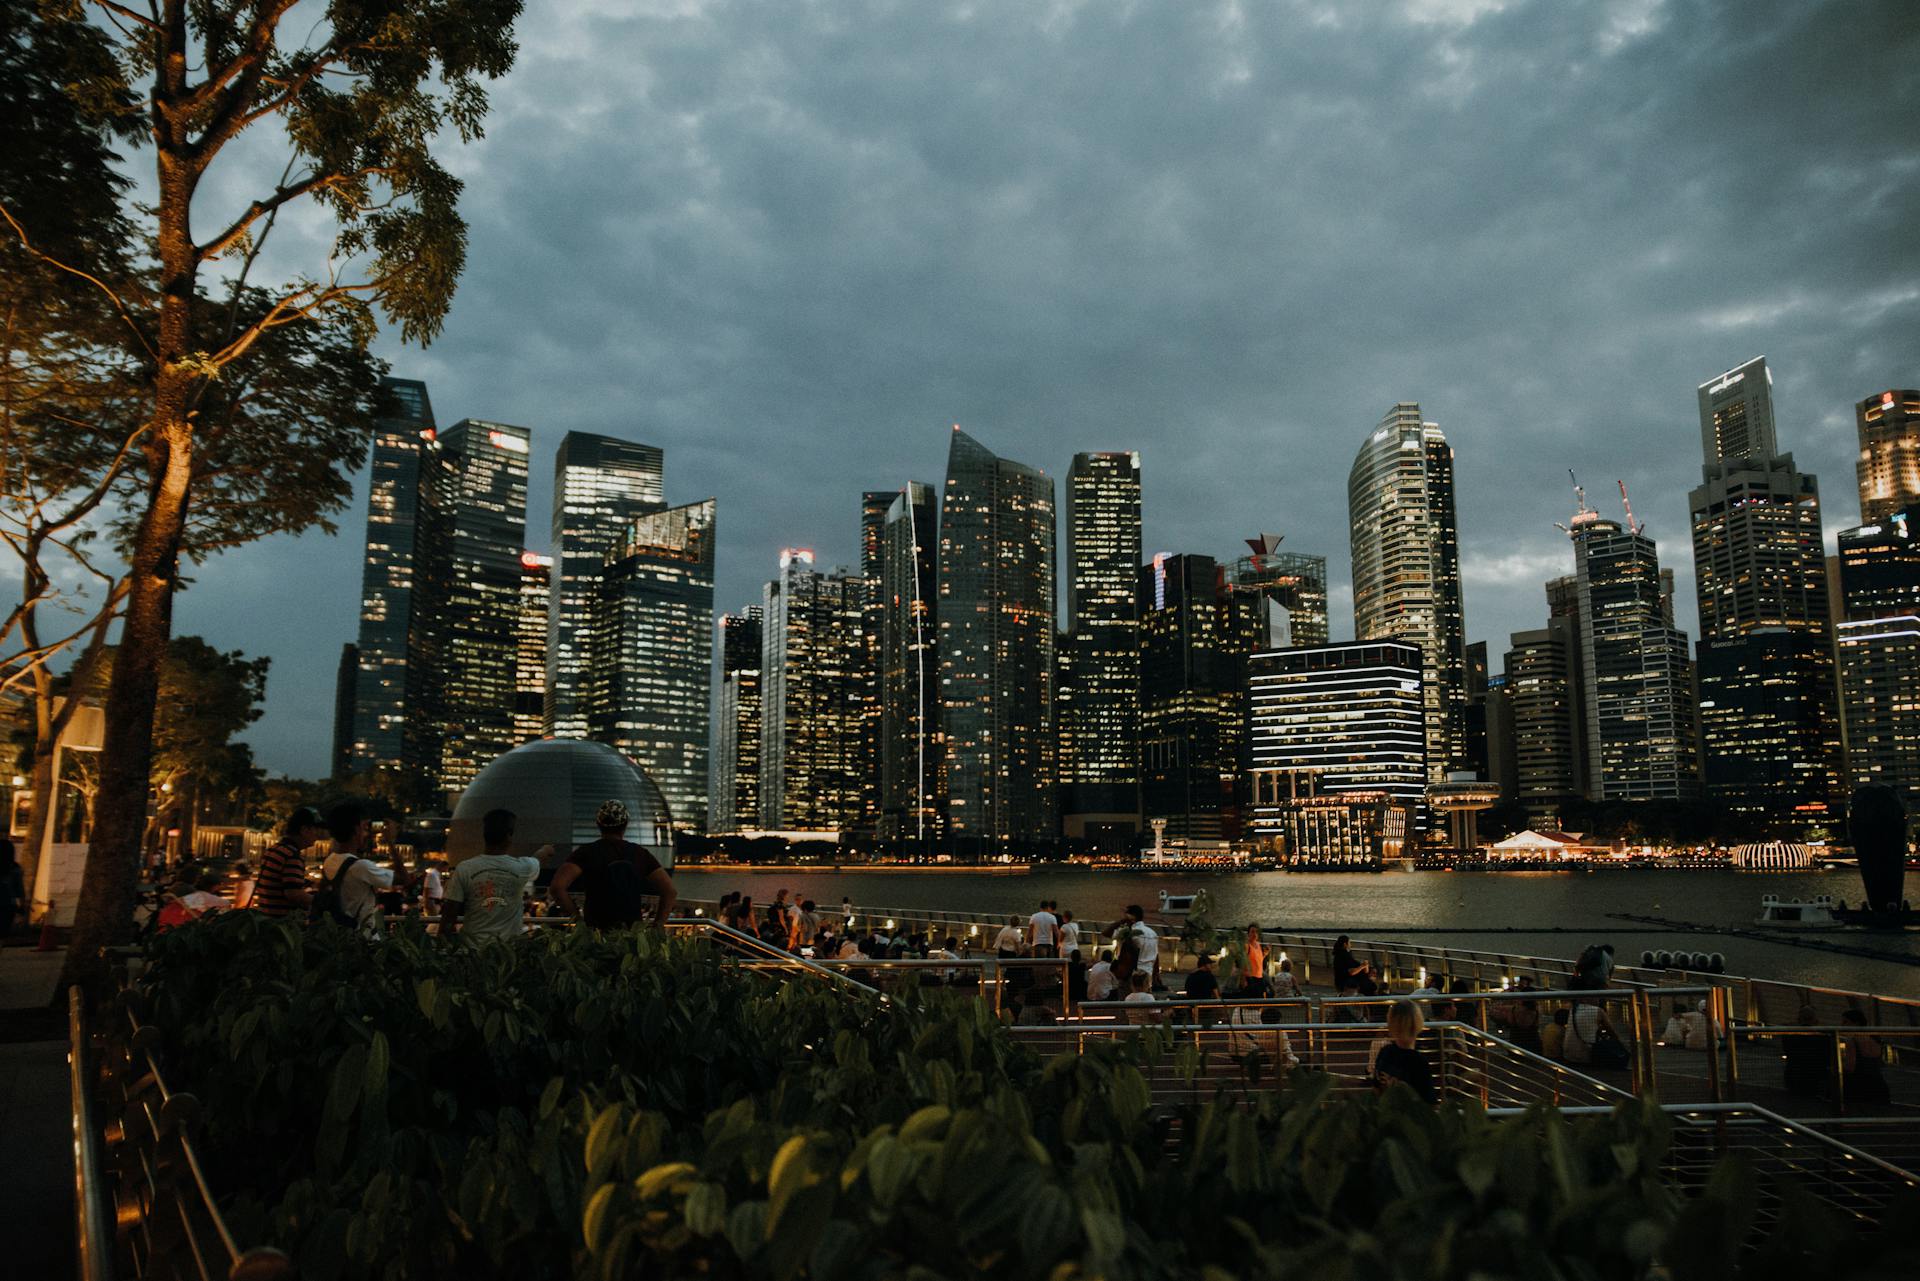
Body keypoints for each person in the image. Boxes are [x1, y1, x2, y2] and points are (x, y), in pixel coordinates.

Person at [549, 800, 678, 928]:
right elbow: (670, 891)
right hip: (631, 933)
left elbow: (557, 887)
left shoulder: (586, 852)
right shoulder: (640, 853)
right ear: (626, 825)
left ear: (598, 824)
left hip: (596, 931)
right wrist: (658, 924)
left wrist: (577, 920)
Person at [441, 809, 542, 942]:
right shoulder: (522, 867)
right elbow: (537, 859)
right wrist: (545, 850)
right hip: (508, 950)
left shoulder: (464, 868)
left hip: (472, 950)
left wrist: (443, 945)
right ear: (509, 836)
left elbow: (450, 912)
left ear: (484, 835)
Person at [317, 803, 400, 937]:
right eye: (365, 828)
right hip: (364, 939)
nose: (368, 833)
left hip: (342, 938)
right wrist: (390, 841)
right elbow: (405, 879)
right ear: (356, 830)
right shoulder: (361, 867)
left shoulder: (330, 860)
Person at [256, 807, 325, 920]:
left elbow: (281, 882)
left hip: (266, 918)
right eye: (315, 829)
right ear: (304, 830)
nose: (318, 834)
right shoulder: (292, 855)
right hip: (282, 925)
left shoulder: (275, 849)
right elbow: (294, 894)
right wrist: (322, 902)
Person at [1374, 1000, 1438, 1104]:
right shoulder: (1419, 1062)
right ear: (1417, 1024)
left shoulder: (1385, 1052)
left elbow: (1376, 1088)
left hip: (1384, 1114)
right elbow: (1429, 1102)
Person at [1842, 1009, 1891, 1109]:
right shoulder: (1875, 1038)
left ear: (1855, 1023)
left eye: (1845, 1022)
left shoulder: (1852, 1041)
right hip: (1878, 1084)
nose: (1842, 1025)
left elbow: (1850, 1066)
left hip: (1858, 1085)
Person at [1564, 995, 1629, 1069]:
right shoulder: (1598, 1010)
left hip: (1568, 1054)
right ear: (1587, 999)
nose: (1598, 1000)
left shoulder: (1572, 1009)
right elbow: (1611, 1030)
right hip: (1586, 1056)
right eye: (1596, 997)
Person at [1780, 1005, 1829, 1098]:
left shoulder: (1789, 1035)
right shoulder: (1823, 1036)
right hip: (1816, 1074)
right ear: (1816, 1020)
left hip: (1794, 1074)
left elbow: (1787, 1051)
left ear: (1799, 1019)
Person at [1496, 977, 1543, 1053]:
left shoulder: (1513, 1009)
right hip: (1533, 1040)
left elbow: (1509, 1020)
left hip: (1516, 1039)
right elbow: (1538, 1023)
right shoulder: (1537, 1010)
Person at [1124, 905, 1161, 989]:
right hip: (1149, 971)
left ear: (1132, 916)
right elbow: (1156, 955)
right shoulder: (1153, 933)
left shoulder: (1131, 933)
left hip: (1134, 971)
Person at [0, 838, 22, 947]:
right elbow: (19, 890)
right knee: (2, 936)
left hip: (7, 904)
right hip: (8, 906)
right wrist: (22, 905)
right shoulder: (15, 868)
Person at [1239, 924, 1268, 994]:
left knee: (1261, 1000)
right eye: (1252, 932)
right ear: (1248, 933)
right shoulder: (1247, 946)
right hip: (1250, 977)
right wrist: (1243, 979)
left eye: (1256, 932)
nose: (1254, 934)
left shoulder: (1258, 945)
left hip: (1259, 977)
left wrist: (1264, 954)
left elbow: (1257, 960)